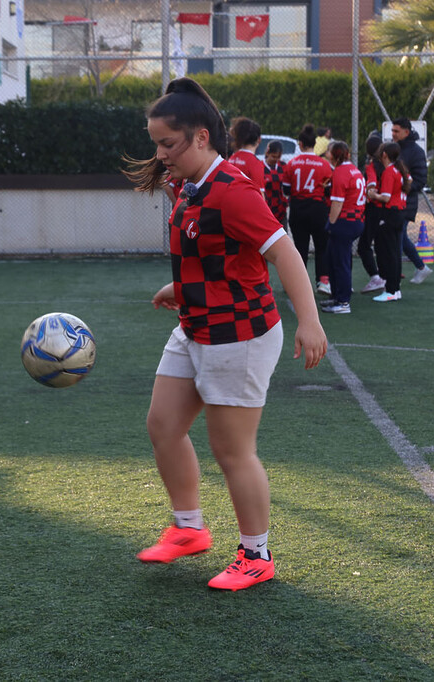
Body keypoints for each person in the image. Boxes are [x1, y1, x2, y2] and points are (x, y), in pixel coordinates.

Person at [122, 77, 328, 591]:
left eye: (167, 143)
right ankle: (188, 529)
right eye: (156, 143)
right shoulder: (188, 184)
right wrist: (182, 285)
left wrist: (310, 320)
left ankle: (256, 554)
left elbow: (284, 252)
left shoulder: (233, 191)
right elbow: (212, 249)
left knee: (231, 450)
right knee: (163, 425)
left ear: (201, 138)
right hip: (195, 327)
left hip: (239, 335)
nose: (160, 153)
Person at [284, 124, 334, 296]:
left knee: (300, 248)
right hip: (318, 208)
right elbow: (328, 190)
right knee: (322, 246)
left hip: (298, 207)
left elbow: (285, 190)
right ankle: (323, 281)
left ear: (300, 143)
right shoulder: (324, 164)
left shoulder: (291, 163)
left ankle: (299, 285)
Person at [320, 141, 365, 315]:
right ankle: (337, 296)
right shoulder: (353, 169)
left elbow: (337, 203)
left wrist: (331, 223)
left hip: (345, 221)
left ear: (335, 154)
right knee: (333, 258)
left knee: (340, 263)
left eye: (329, 152)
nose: (326, 154)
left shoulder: (341, 172)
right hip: (354, 220)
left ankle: (343, 302)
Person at [390, 118, 433, 285]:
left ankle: (394, 280)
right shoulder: (394, 149)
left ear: (406, 132)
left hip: (405, 203)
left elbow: (420, 180)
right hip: (394, 202)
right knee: (401, 238)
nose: (393, 134)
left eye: (396, 131)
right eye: (392, 131)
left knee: (398, 239)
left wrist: (401, 188)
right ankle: (422, 268)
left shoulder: (415, 152)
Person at [366, 141, 410, 302]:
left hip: (391, 214)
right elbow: (408, 182)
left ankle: (391, 290)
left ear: (384, 154)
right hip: (399, 213)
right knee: (394, 253)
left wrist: (372, 195)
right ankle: (395, 289)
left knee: (389, 253)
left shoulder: (389, 171)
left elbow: (385, 197)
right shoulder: (399, 169)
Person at [357, 133, 386, 295]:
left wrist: (369, 195)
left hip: (375, 207)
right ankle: (386, 276)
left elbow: (372, 187)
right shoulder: (388, 164)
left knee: (364, 245)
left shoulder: (372, 165)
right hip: (388, 208)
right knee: (384, 245)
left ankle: (376, 277)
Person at [228, 116, 266, 194]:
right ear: (259, 140)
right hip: (247, 204)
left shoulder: (231, 158)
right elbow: (260, 195)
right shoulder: (255, 163)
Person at [263, 140, 288, 229]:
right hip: (266, 210)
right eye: (273, 156)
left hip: (281, 210)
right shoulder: (260, 167)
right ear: (267, 153)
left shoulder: (284, 166)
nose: (276, 160)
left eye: (278, 157)